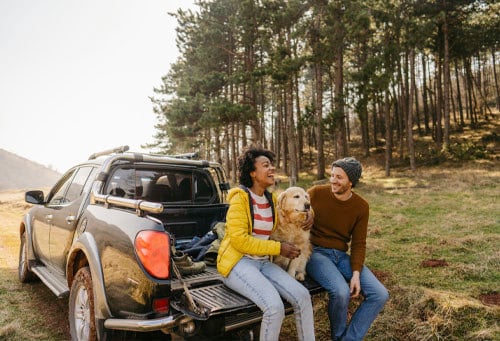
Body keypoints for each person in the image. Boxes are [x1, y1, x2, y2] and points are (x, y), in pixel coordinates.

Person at [217, 145, 315, 341]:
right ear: (253, 173)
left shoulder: (272, 199)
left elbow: (296, 202)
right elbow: (239, 241)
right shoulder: (240, 199)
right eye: (265, 165)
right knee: (274, 307)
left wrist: (310, 214)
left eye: (272, 165)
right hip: (238, 263)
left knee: (303, 297)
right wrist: (279, 248)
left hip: (263, 262)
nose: (272, 169)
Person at [306, 157, 389, 341]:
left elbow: (359, 243)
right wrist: (306, 218)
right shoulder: (316, 193)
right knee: (341, 291)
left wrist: (356, 273)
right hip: (315, 253)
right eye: (332, 175)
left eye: (339, 177)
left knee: (379, 294)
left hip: (341, 256)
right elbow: (294, 211)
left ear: (351, 182)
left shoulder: (361, 206)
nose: (333, 180)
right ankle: (338, 336)